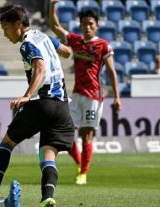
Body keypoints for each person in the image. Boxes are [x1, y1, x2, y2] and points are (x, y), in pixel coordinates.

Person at [0, 4, 74, 207]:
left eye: (7, 28)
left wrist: (27, 95)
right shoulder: (43, 36)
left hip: (42, 102)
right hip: (62, 106)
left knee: (6, 144)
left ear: (19, 25)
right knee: (48, 155)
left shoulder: (27, 44)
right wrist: (61, 51)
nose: (5, 34)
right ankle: (47, 198)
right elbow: (67, 52)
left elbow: (40, 68)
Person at [49, 0, 122, 185]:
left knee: (86, 134)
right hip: (77, 94)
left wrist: (117, 97)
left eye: (91, 23)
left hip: (94, 96)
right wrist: (51, 5)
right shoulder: (76, 40)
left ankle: (83, 173)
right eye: (84, 23)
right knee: (66, 131)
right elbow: (55, 25)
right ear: (80, 25)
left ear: (96, 26)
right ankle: (80, 163)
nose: (87, 27)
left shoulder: (103, 45)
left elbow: (112, 72)